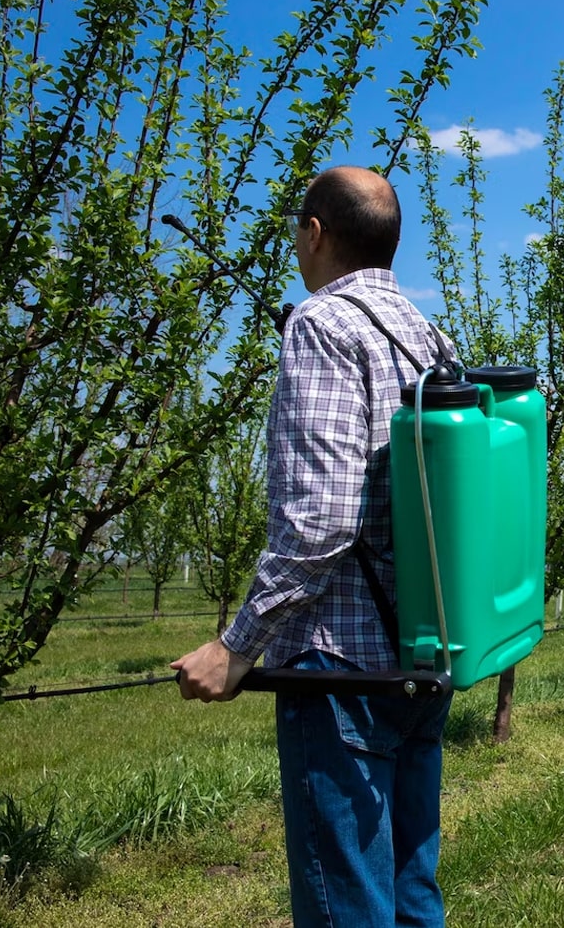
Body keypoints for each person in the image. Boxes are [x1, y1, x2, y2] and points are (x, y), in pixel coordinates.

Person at [171, 165, 456, 928]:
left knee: (350, 910)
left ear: (315, 233)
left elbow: (322, 518)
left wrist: (237, 645)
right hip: (423, 657)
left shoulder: (322, 326)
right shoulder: (432, 339)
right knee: (409, 897)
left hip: (339, 671)